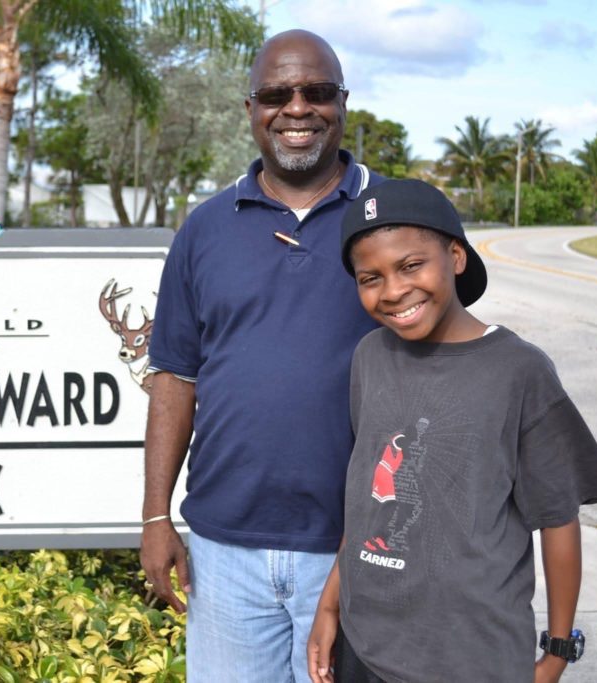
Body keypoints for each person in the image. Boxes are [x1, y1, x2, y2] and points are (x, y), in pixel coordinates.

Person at [140, 29, 384, 681]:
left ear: (343, 102)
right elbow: (175, 376)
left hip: (355, 547)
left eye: (317, 91)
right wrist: (156, 515)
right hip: (225, 553)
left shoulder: (389, 219)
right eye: (277, 93)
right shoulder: (205, 228)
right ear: (250, 109)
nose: (297, 108)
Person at [306, 179, 597, 683]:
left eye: (411, 266)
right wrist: (329, 608)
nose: (393, 290)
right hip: (367, 647)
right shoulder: (370, 358)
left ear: (455, 256)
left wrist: (557, 651)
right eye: (370, 277)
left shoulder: (519, 371)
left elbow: (558, 519)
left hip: (472, 657)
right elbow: (365, 502)